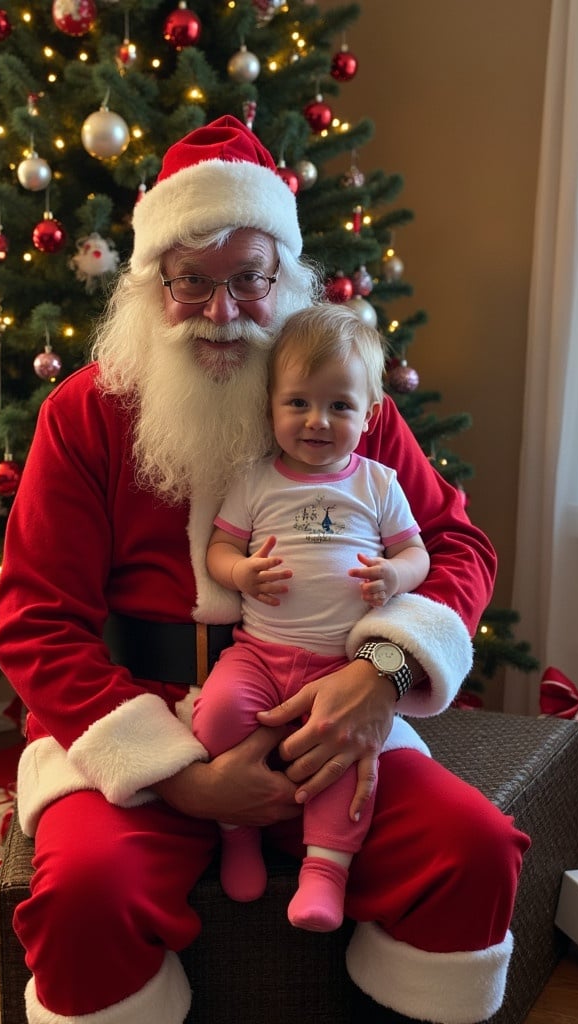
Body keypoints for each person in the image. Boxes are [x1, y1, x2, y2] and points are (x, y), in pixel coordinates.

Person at [0, 114, 530, 1024]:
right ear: (149, 286)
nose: (221, 311)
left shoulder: (339, 397)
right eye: (191, 282)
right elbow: (35, 621)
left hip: (332, 710)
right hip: (142, 719)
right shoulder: (85, 414)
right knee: (86, 894)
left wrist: (383, 674)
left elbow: (457, 548)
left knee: (472, 850)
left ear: (283, 277)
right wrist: (177, 772)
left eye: (248, 278)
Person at [192, 302, 431, 932]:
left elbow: (417, 552)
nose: (317, 421)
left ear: (370, 414)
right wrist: (240, 573)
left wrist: (394, 575)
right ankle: (236, 833)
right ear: (270, 405)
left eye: (340, 407)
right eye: (297, 403)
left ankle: (325, 873)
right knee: (215, 715)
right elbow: (219, 548)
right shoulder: (256, 481)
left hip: (343, 663)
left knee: (347, 762)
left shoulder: (377, 484)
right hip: (259, 653)